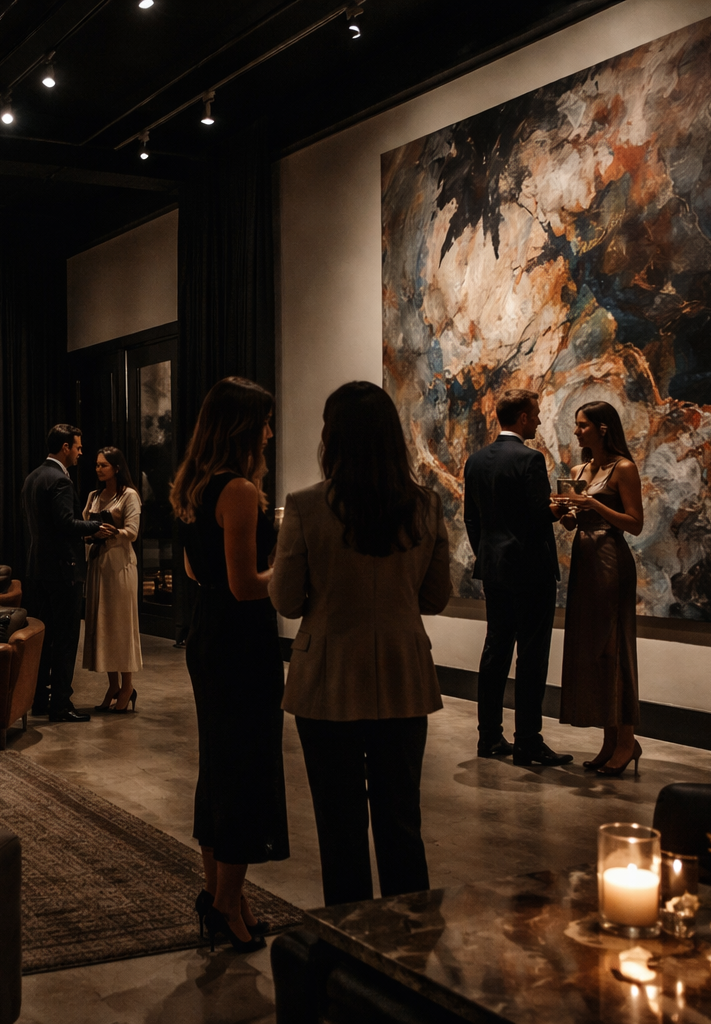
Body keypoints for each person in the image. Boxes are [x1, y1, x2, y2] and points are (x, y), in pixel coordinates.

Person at [270, 381, 451, 906]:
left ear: (333, 437)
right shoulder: (426, 505)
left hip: (327, 679)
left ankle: (350, 948)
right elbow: (435, 598)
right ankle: (410, 943)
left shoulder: (305, 506)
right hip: (403, 675)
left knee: (339, 830)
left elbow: (284, 599)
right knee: (401, 822)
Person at [170, 376, 287, 953]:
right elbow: (247, 586)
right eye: (265, 420)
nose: (270, 431)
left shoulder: (193, 486)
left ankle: (222, 893)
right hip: (242, 641)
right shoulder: (239, 490)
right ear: (245, 425)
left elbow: (198, 574)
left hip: (208, 635)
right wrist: (288, 565)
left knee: (218, 766)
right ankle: (224, 905)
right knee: (244, 770)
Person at [462, 388, 572, 766]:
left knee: (495, 651)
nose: (539, 420)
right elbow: (537, 514)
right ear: (523, 417)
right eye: (536, 414)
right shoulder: (530, 459)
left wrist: (489, 554)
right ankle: (527, 740)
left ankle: (489, 736)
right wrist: (561, 509)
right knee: (531, 656)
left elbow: (472, 519)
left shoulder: (476, 461)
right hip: (531, 570)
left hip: (494, 570)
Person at [555, 401, 644, 777]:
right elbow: (574, 524)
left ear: (603, 428)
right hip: (585, 561)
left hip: (611, 560)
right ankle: (609, 741)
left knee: (615, 646)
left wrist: (592, 503)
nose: (576, 432)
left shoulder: (623, 468)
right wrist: (567, 513)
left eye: (582, 426)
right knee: (593, 649)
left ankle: (627, 742)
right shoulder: (579, 469)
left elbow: (635, 524)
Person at [21, 424, 116, 723]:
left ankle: (39, 699)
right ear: (65, 448)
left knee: (44, 638)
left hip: (39, 569)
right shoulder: (60, 480)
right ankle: (60, 704)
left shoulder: (33, 477)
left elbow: (47, 527)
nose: (80, 452)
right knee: (64, 639)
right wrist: (95, 527)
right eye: (77, 447)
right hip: (64, 570)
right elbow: (65, 524)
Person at [82, 446, 144, 712]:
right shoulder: (94, 496)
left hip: (120, 565)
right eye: (96, 465)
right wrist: (92, 533)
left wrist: (111, 531)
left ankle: (128, 685)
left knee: (121, 624)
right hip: (98, 564)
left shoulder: (129, 495)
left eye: (103, 465)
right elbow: (84, 525)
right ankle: (113, 685)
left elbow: (132, 532)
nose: (98, 469)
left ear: (116, 468)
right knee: (103, 624)